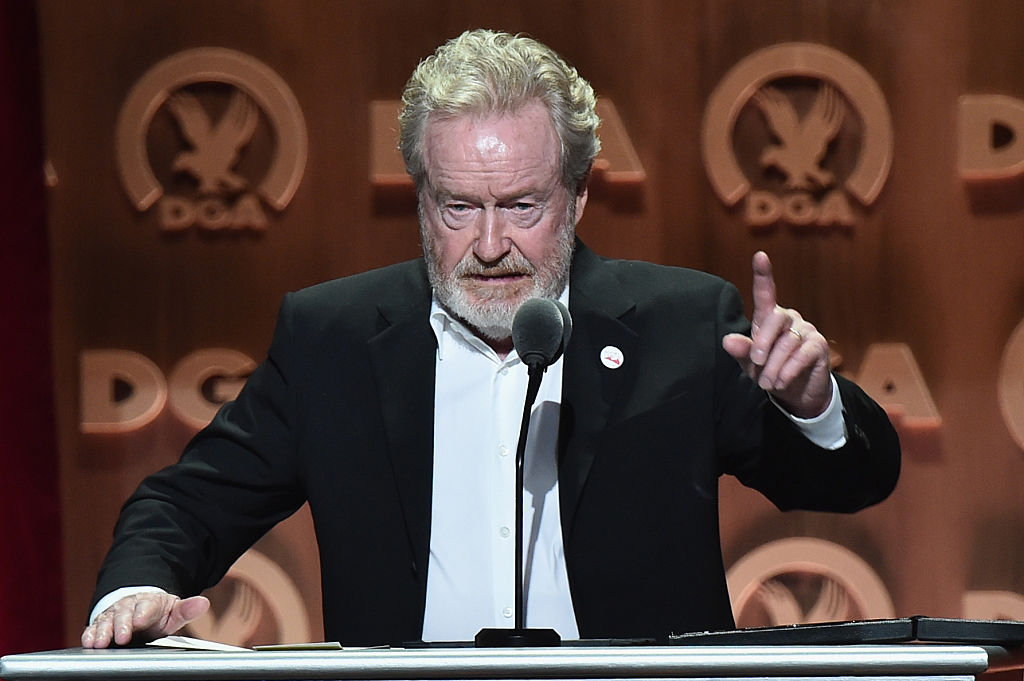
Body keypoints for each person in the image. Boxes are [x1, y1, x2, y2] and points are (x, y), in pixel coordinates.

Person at [81, 28, 900, 649]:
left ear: (578, 198)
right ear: (420, 199)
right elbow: (185, 503)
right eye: (458, 206)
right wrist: (136, 591)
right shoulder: (331, 339)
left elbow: (852, 479)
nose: (489, 244)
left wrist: (813, 403)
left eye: (521, 205)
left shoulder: (681, 326)